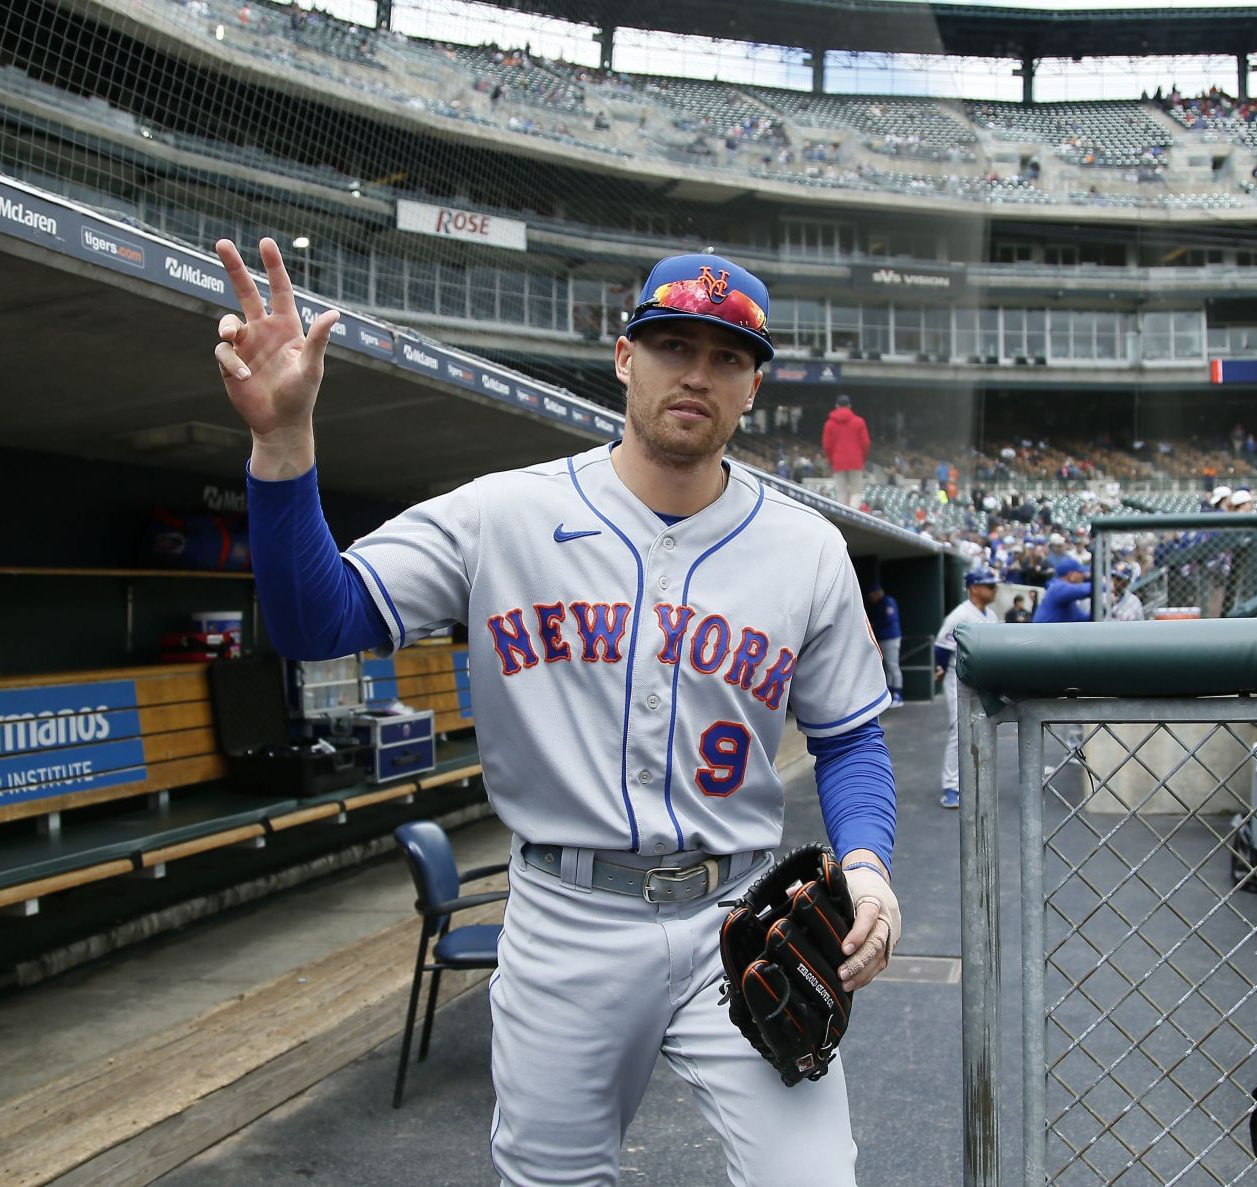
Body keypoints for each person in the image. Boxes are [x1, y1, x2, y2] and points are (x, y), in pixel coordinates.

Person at [213, 238, 900, 1186]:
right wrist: (283, 445)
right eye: (672, 345)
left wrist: (867, 867)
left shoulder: (808, 548)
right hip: (566, 914)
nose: (696, 373)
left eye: (727, 357)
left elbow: (850, 737)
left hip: (738, 919)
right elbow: (315, 620)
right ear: (625, 358)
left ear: (753, 387)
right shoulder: (503, 514)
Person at [931, 567, 1000, 809]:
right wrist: (938, 667)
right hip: (957, 677)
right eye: (989, 585)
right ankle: (951, 786)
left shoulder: (990, 614)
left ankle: (970, 779)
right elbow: (941, 645)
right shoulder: (960, 615)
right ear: (974, 588)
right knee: (958, 727)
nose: (994, 589)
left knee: (981, 725)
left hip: (981, 678)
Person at [821, 393, 871, 509]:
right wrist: (862, 458)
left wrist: (831, 459)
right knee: (856, 491)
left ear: (837, 406)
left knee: (841, 492)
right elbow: (866, 443)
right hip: (856, 461)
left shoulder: (829, 424)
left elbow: (826, 445)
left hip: (838, 462)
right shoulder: (859, 422)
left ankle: (843, 516)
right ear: (849, 406)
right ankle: (853, 513)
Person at [866, 580, 904, 708]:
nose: (870, 598)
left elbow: (889, 619)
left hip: (891, 638)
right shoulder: (878, 604)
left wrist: (874, 624)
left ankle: (899, 695)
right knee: (887, 667)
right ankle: (891, 695)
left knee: (893, 666)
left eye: (871, 595)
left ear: (876, 593)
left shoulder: (888, 602)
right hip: (883, 638)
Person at [1032, 554, 1093, 623]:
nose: (1083, 575)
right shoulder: (1058, 587)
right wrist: (1105, 585)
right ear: (1071, 575)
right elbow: (1088, 589)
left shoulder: (1069, 602)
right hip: (1043, 632)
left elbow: (1083, 619)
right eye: (1080, 572)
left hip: (1052, 632)